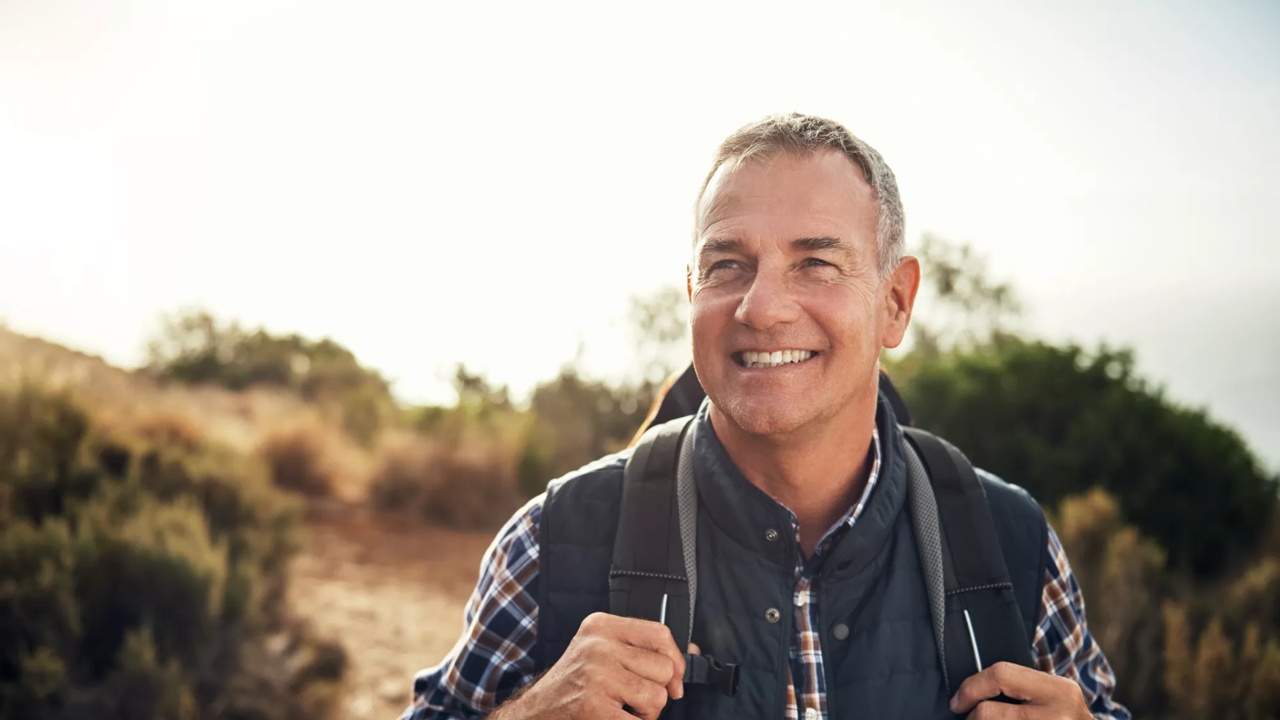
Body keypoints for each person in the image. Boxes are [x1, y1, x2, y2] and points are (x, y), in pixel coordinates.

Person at [398, 113, 1131, 720]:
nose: (761, 307)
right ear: (692, 293)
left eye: (816, 262)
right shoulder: (552, 542)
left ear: (895, 302)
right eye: (727, 265)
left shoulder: (1011, 545)